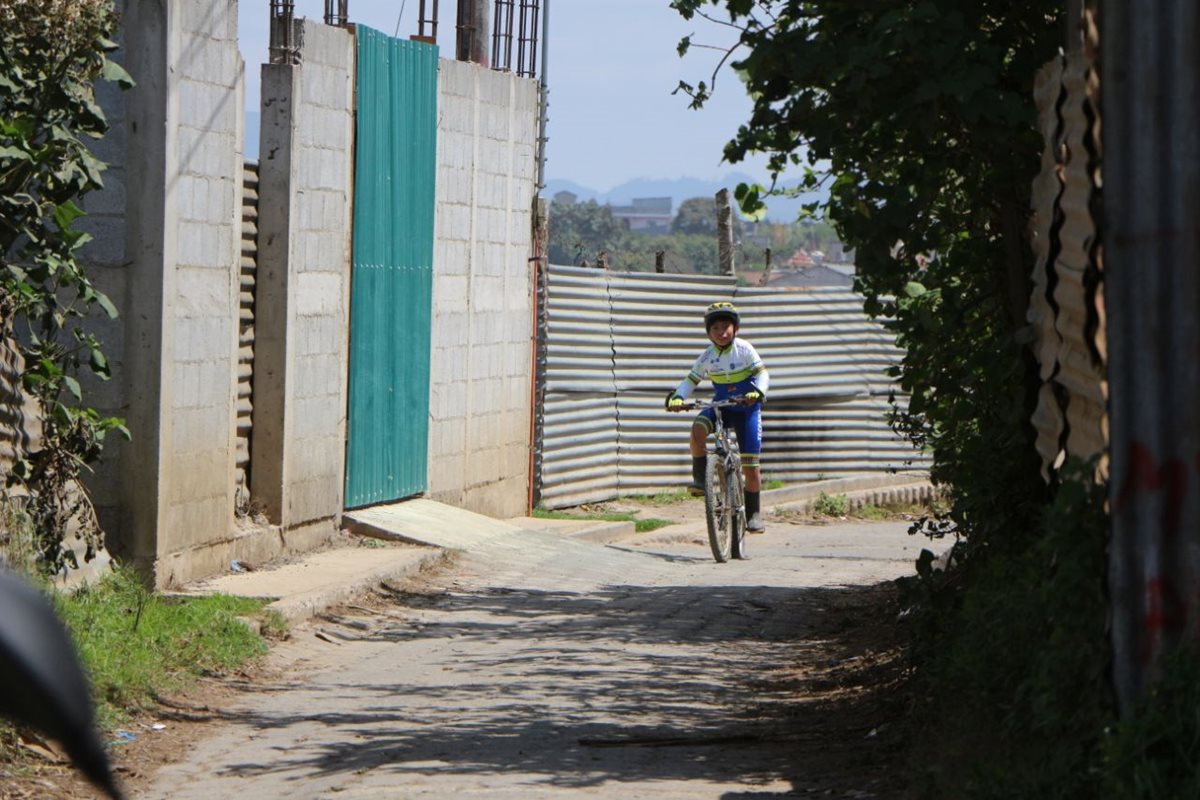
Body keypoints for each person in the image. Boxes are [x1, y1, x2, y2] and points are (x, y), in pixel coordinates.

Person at [665, 301, 770, 533]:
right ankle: (701, 480)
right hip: (721, 407)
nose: (721, 333)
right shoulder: (707, 357)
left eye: (726, 327)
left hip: (747, 411)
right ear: (708, 333)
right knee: (697, 429)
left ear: (735, 328)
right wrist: (677, 397)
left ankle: (753, 514)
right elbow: (691, 380)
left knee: (751, 467)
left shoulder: (744, 349)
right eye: (715, 329)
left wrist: (758, 392)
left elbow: (762, 373)